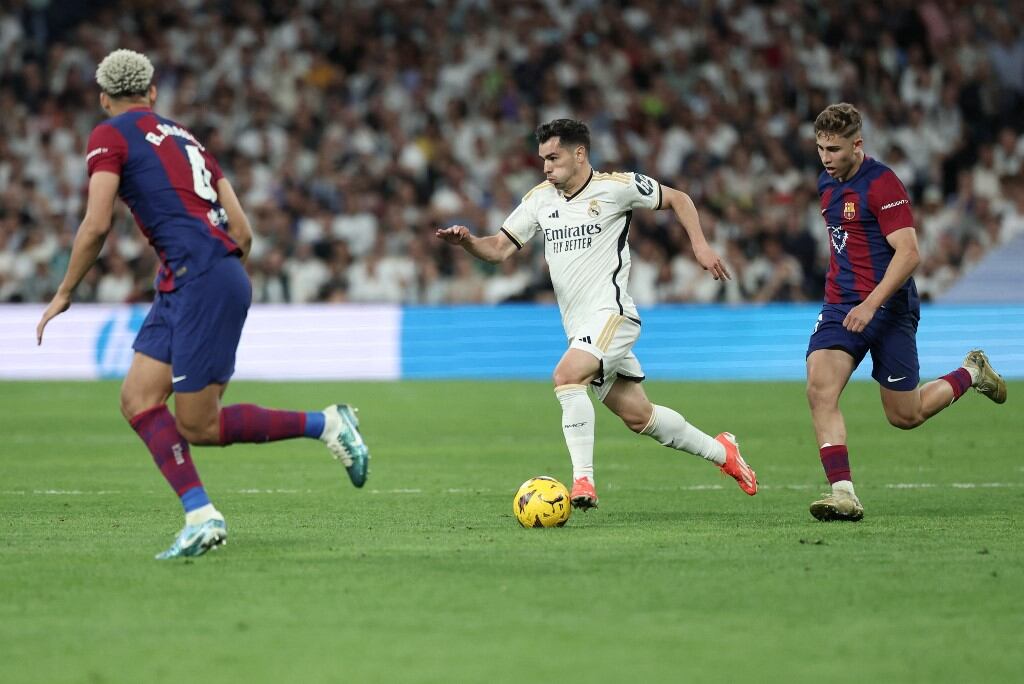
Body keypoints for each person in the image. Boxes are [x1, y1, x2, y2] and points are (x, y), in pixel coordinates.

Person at [35, 50, 370, 559]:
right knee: (138, 399)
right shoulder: (188, 139)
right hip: (195, 277)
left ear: (104, 99)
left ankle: (326, 424)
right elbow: (244, 232)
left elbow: (97, 223)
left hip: (197, 279)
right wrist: (216, 272)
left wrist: (64, 291)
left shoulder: (108, 135)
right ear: (152, 93)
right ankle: (201, 516)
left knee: (199, 426)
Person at [435, 119, 757, 509]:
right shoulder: (540, 199)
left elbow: (679, 198)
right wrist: (468, 241)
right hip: (580, 329)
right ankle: (724, 453)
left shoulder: (615, 188)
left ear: (579, 154)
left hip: (613, 315)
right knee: (640, 417)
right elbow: (498, 249)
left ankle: (583, 481)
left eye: (553, 158)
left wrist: (700, 246)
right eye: (543, 159)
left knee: (567, 376)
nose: (546, 167)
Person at [806, 103, 1007, 522]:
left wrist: (871, 303)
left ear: (857, 145)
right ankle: (843, 494)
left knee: (905, 415)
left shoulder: (882, 183)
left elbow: (910, 253)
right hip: (841, 305)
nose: (826, 158)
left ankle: (971, 372)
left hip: (889, 309)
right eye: (821, 148)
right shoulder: (826, 181)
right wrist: (850, 299)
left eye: (834, 149)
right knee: (820, 390)